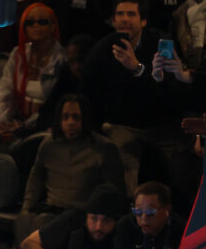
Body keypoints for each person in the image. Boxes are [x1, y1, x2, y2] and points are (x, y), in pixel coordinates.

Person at [81, 0, 174, 192]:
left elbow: (166, 92)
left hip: (162, 124)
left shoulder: (161, 44)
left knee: (180, 168)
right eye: (120, 14)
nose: (124, 19)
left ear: (144, 20)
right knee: (120, 166)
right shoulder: (102, 49)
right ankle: (129, 213)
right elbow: (88, 92)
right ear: (113, 20)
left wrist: (136, 68)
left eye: (131, 14)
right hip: (122, 125)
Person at [17, 93, 125, 240]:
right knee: (25, 223)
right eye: (65, 117)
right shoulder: (49, 145)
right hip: (51, 211)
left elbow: (114, 191)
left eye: (76, 117)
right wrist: (27, 208)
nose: (70, 122)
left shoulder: (103, 148)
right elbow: (36, 178)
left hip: (83, 215)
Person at [0, 2, 65, 142]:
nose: (35, 25)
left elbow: (57, 105)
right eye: (30, 22)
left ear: (53, 26)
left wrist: (24, 128)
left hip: (48, 128)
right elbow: (2, 94)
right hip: (17, 123)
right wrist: (0, 122)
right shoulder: (19, 54)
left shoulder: (62, 59)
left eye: (42, 22)